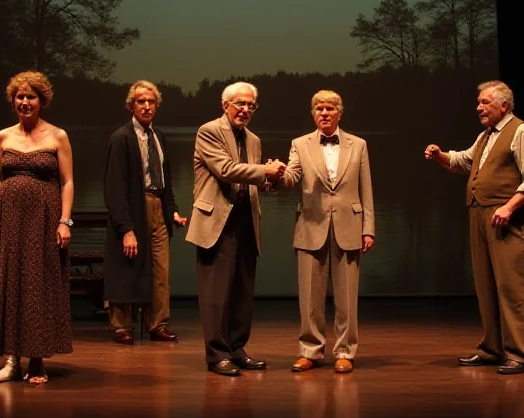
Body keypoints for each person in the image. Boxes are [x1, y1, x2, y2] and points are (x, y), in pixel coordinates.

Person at [424, 80, 524, 375]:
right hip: (480, 216)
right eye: (478, 102)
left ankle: (520, 354)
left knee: (514, 287)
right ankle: (493, 348)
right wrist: (441, 156)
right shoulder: (486, 136)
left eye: (484, 102)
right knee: (486, 286)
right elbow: (465, 160)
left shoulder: (521, 131)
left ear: (503, 105)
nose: (478, 107)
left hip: (509, 218)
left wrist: (509, 206)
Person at [185, 81, 286, 376]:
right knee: (216, 294)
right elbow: (226, 170)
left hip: (245, 218)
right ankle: (216, 354)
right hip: (216, 221)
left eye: (250, 105)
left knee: (242, 291)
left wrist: (271, 178)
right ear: (225, 105)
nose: (245, 109)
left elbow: (251, 179)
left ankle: (237, 349)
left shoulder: (253, 139)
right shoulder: (209, 131)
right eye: (239, 103)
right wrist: (261, 172)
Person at [273, 90, 375, 374]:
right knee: (309, 297)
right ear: (313, 113)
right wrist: (278, 175)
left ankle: (345, 351)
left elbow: (366, 190)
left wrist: (369, 228)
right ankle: (310, 351)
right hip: (311, 226)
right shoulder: (300, 144)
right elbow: (292, 177)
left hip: (349, 226)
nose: (324, 113)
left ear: (339, 113)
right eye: (319, 109)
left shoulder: (358, 144)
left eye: (330, 109)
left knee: (346, 297)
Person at [0, 70, 74, 384]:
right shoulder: (4, 136)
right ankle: (11, 360)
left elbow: (68, 181)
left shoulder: (57, 135)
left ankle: (36, 361)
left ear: (41, 101)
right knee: (10, 282)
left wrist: (65, 221)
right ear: (13, 101)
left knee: (38, 283)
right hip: (8, 219)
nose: (25, 102)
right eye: (20, 97)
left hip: (44, 219)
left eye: (31, 97)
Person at [103, 80, 188, 345]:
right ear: (131, 105)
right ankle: (121, 326)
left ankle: (157, 324)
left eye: (151, 102)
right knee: (127, 265)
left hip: (158, 207)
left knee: (161, 270)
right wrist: (126, 228)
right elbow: (115, 187)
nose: (147, 106)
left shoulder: (158, 136)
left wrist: (172, 210)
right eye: (141, 101)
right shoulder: (122, 137)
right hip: (133, 208)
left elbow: (166, 179)